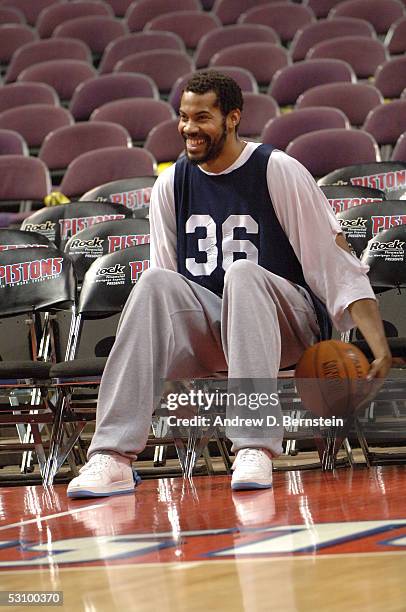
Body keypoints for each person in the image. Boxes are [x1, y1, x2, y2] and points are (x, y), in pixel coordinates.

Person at [67, 71, 391, 499]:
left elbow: (333, 261)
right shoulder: (171, 183)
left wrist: (377, 344)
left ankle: (254, 444)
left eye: (202, 117)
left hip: (289, 328)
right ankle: (112, 457)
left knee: (243, 274)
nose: (188, 128)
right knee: (153, 282)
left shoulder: (276, 169)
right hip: (219, 332)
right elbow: (169, 286)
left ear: (233, 118)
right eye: (183, 117)